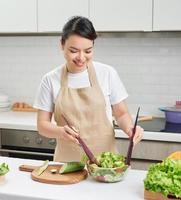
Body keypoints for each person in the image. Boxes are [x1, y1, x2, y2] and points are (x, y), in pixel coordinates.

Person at [34, 16, 143, 162]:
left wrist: (130, 129)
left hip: (105, 166)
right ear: (61, 44)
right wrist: (61, 131)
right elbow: (42, 125)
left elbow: (121, 113)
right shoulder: (50, 80)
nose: (81, 57)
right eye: (74, 51)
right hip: (67, 165)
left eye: (88, 51)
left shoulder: (107, 73)